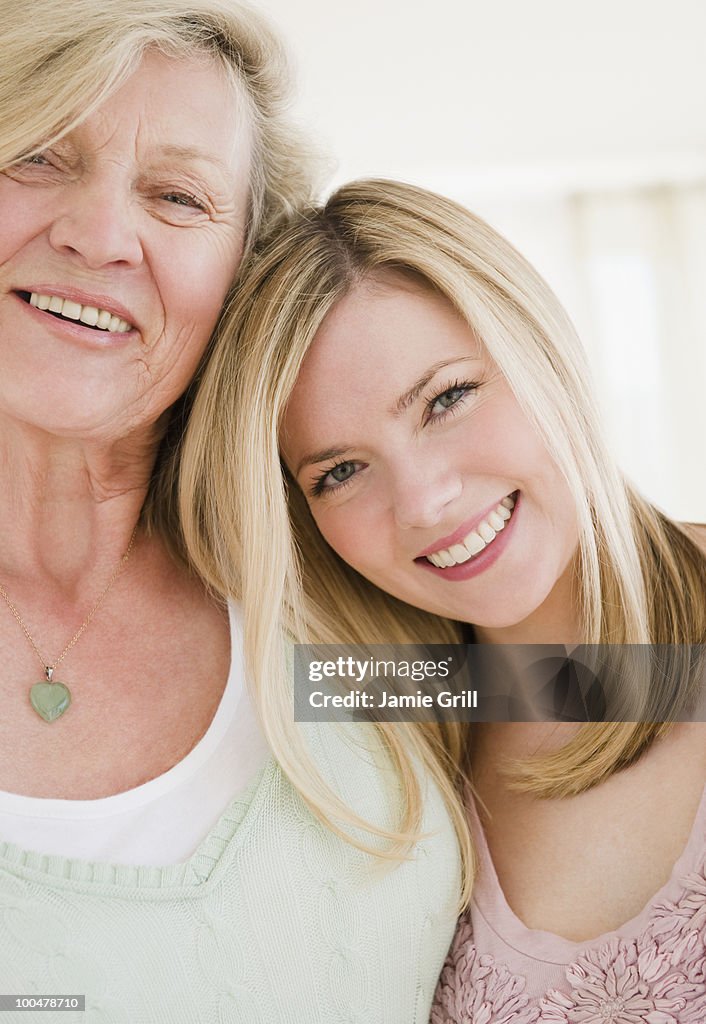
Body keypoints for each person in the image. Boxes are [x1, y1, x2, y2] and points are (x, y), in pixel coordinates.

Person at [0, 7, 465, 1020]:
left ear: (241, 273)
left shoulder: (334, 584)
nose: (99, 233)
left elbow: (635, 686)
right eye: (36, 156)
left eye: (177, 195)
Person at [183, 178, 706, 1022]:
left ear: (538, 345)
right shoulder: (379, 717)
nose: (423, 502)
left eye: (446, 399)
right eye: (340, 471)